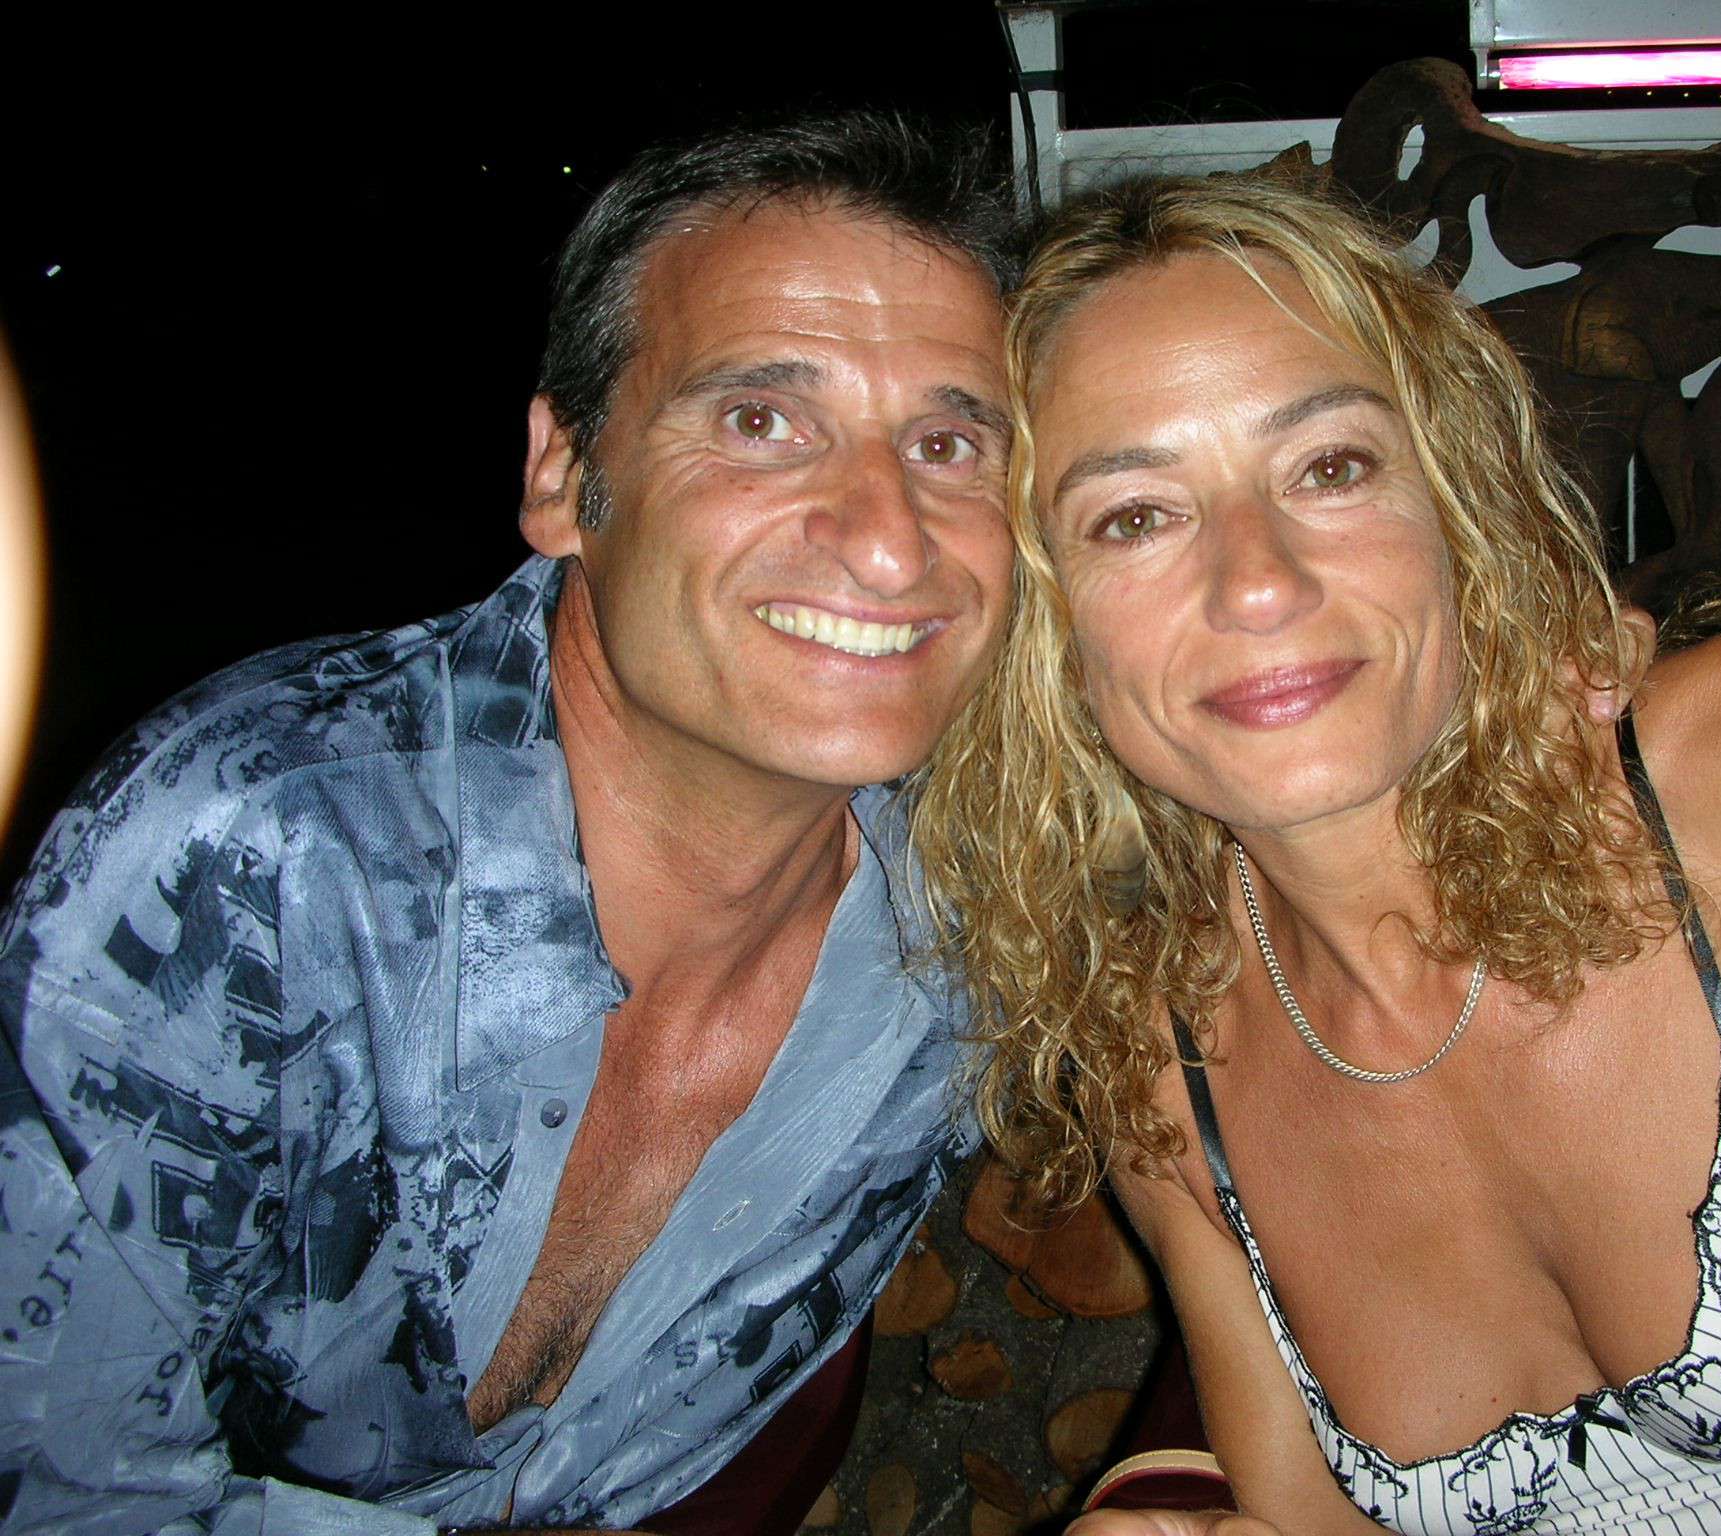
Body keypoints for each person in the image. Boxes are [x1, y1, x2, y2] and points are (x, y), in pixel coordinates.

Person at [914, 174, 1721, 1534]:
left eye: (1330, 467)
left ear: (1454, 504)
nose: (1259, 580)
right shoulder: (1154, 1055)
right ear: (1046, 632)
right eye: (1135, 517)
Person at [0, 111, 1018, 1533]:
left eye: (949, 444)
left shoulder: (981, 929)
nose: (892, 538)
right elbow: (56, 1491)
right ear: (562, 476)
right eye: (761, 422)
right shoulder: (248, 871)